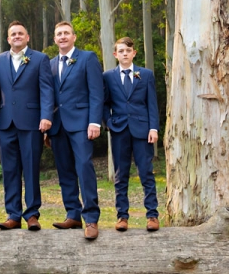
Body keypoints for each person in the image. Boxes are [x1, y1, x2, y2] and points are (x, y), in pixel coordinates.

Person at [0, 21, 53, 231]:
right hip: (6, 122)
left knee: (31, 168)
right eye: (13, 34)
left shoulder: (40, 59)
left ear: (27, 37)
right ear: (8, 39)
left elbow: (46, 89)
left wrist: (46, 116)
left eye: (20, 33)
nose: (17, 36)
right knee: (9, 170)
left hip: (32, 122)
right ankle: (13, 214)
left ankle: (32, 214)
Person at [47, 21, 104, 240]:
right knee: (64, 171)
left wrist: (95, 122)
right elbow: (48, 97)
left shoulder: (87, 58)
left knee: (84, 167)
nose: (62, 36)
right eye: (59, 34)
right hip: (57, 125)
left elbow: (96, 92)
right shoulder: (50, 64)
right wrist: (47, 127)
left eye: (66, 33)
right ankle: (73, 214)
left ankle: (91, 218)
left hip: (81, 123)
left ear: (74, 37)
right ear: (55, 39)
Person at [103, 37, 160, 232]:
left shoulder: (146, 75)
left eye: (128, 50)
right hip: (119, 130)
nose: (125, 54)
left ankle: (152, 215)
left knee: (146, 172)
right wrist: (108, 122)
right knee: (121, 175)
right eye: (121, 51)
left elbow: (152, 103)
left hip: (142, 130)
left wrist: (153, 128)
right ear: (115, 54)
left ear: (134, 53)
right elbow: (104, 103)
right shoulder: (108, 76)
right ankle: (122, 216)